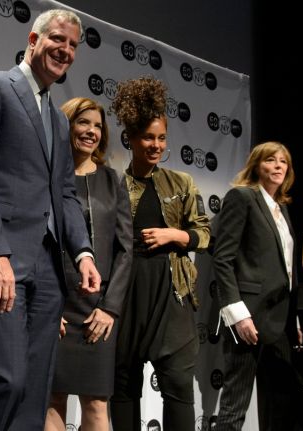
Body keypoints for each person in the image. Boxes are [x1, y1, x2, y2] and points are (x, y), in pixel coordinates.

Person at [0, 9, 102, 431]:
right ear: (33, 38)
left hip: (49, 268)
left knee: (35, 390)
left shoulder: (56, 117)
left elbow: (65, 195)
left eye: (73, 46)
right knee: (5, 379)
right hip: (4, 260)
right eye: (58, 39)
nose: (66, 50)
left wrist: (84, 252)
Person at [108, 77, 211, 431]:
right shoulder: (115, 184)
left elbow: (205, 234)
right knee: (122, 387)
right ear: (131, 139)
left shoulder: (181, 183)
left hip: (173, 295)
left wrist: (176, 234)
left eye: (161, 137)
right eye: (148, 137)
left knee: (179, 387)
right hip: (126, 295)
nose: (155, 145)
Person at [45, 97, 133, 431]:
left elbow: (126, 249)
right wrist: (47, 307)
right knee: (53, 399)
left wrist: (110, 308)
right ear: (66, 125)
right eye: (83, 122)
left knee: (97, 404)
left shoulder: (113, 180)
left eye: (98, 126)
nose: (91, 131)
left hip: (99, 309)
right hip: (57, 305)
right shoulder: (49, 176)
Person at [213, 141, 301, 431]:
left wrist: (294, 317)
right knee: (235, 405)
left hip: (280, 320)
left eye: (283, 162)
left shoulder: (281, 209)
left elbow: (285, 267)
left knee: (279, 404)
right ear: (256, 165)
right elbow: (223, 259)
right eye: (270, 160)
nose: (278, 166)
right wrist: (238, 315)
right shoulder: (243, 197)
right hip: (248, 317)